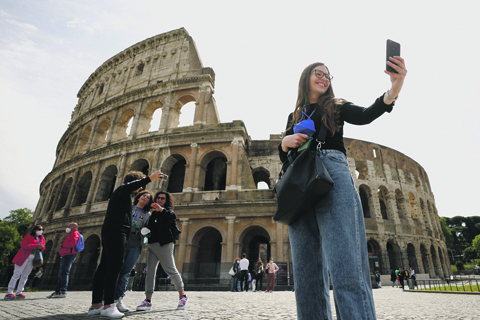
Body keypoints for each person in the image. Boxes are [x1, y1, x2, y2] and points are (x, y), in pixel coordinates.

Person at [279, 57, 406, 319]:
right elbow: (285, 159)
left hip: (332, 174)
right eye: (319, 73)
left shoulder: (336, 106)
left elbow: (365, 115)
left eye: (328, 75)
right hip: (300, 183)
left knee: (345, 263)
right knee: (305, 274)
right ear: (306, 78)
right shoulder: (294, 115)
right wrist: (284, 143)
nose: (324, 78)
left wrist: (394, 89)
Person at [88, 170, 164, 318]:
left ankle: (96, 305)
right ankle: (109, 306)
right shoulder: (123, 190)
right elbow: (133, 185)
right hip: (117, 231)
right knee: (115, 266)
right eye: (140, 186)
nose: (141, 189)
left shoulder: (122, 195)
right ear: (134, 183)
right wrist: (150, 178)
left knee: (104, 266)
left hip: (111, 230)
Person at [136, 191, 188, 311]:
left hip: (164, 244)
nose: (159, 200)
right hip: (152, 245)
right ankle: (148, 300)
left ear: (167, 201)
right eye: (158, 198)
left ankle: (183, 295)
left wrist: (161, 209)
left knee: (171, 270)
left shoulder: (167, 211)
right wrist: (145, 229)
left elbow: (172, 216)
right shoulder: (152, 214)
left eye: (162, 198)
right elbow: (151, 227)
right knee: (150, 273)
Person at [114, 191, 153, 312]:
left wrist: (146, 232)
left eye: (148, 197)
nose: (145, 198)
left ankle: (118, 299)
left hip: (135, 244)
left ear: (149, 202)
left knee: (125, 273)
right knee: (114, 271)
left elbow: (149, 233)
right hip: (121, 242)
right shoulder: (128, 208)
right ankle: (107, 298)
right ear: (138, 197)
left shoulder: (148, 214)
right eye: (143, 195)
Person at [4, 225, 45, 300]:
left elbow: (43, 247)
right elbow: (24, 246)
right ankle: (9, 292)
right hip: (23, 256)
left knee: (25, 275)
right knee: (17, 274)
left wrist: (41, 247)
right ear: (35, 230)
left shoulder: (42, 237)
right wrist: (36, 246)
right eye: (39, 229)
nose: (41, 231)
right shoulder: (29, 236)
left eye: (42, 229)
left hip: (33, 258)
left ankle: (19, 291)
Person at [47, 222, 80, 298]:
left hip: (69, 255)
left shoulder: (75, 233)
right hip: (65, 255)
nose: (67, 227)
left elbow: (72, 244)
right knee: (61, 274)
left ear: (73, 226)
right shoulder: (71, 234)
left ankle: (63, 291)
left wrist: (62, 245)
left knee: (64, 273)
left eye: (69, 226)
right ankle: (58, 291)